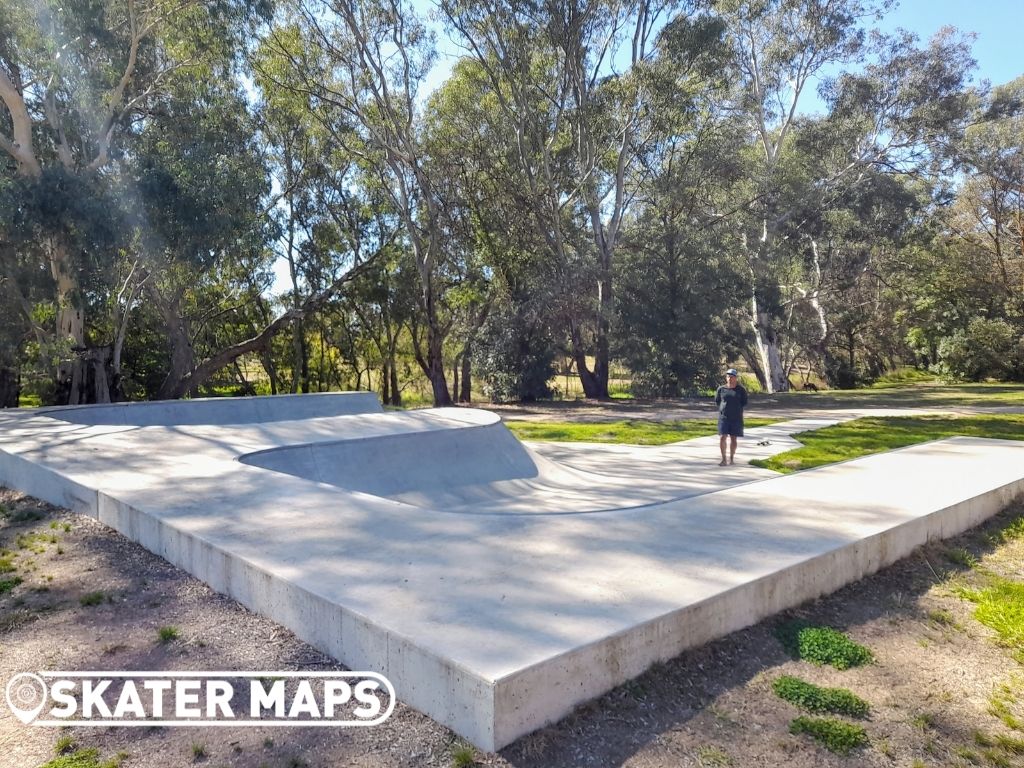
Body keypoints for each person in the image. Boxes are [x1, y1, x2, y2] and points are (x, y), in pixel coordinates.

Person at [714, 368, 748, 466]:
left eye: (732, 377)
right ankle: (724, 459)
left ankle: (731, 458)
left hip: (736, 418)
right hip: (724, 418)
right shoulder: (721, 389)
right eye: (728, 376)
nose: (730, 378)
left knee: (733, 439)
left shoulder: (741, 390)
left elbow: (744, 402)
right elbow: (718, 401)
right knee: (722, 437)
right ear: (726, 378)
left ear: (735, 378)